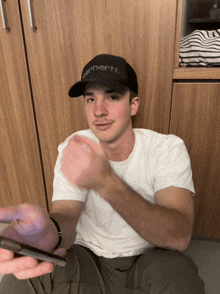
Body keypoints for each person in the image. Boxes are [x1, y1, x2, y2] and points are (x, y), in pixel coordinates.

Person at [0, 54, 205, 293]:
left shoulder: (167, 148)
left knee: (181, 279)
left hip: (150, 261)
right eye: (90, 99)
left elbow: (179, 236)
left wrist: (106, 183)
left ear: (133, 105)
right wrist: (48, 233)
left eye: (113, 97)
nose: (99, 110)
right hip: (87, 261)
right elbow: (66, 217)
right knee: (24, 276)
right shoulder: (75, 146)